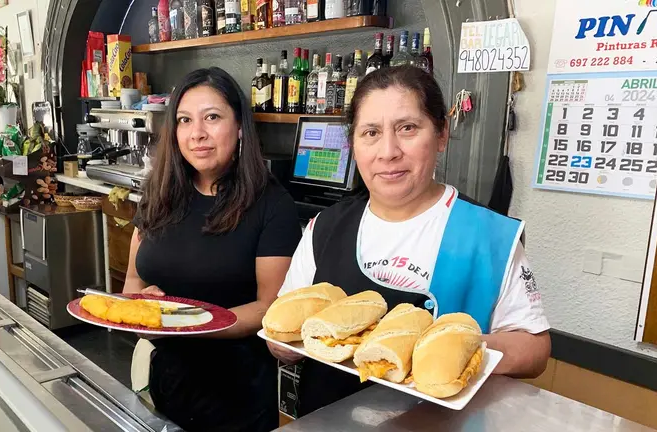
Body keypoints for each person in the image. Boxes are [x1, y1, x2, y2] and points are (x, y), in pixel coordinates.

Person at [268, 66, 551, 415]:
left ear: (441, 135)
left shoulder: (490, 235)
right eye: (371, 132)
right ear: (353, 144)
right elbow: (282, 332)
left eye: (408, 128)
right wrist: (286, 345)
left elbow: (534, 351)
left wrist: (453, 347)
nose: (388, 151)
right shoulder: (324, 228)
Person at [124, 67, 302, 431]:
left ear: (239, 127)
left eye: (212, 118)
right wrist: (140, 311)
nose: (197, 134)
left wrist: (185, 324)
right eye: (185, 120)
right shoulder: (160, 194)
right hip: (166, 384)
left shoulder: (271, 204)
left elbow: (270, 307)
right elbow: (133, 280)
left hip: (238, 396)